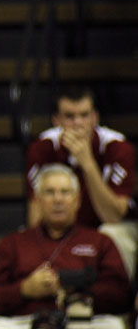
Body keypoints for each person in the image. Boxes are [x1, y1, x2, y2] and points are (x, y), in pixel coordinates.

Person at [0, 164, 131, 329]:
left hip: (77, 325)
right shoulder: (14, 242)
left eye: (65, 193)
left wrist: (77, 292)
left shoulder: (99, 241)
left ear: (77, 200)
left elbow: (121, 293)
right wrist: (24, 289)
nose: (58, 200)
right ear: (38, 200)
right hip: (26, 324)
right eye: (50, 192)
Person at [25, 87, 137, 279]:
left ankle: (116, 300)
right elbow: (36, 219)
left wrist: (87, 163)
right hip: (64, 228)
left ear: (95, 118)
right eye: (69, 116)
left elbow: (113, 216)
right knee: (32, 238)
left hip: (105, 227)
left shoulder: (118, 148)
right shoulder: (42, 149)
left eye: (84, 115)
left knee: (113, 234)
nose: (78, 124)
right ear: (56, 121)